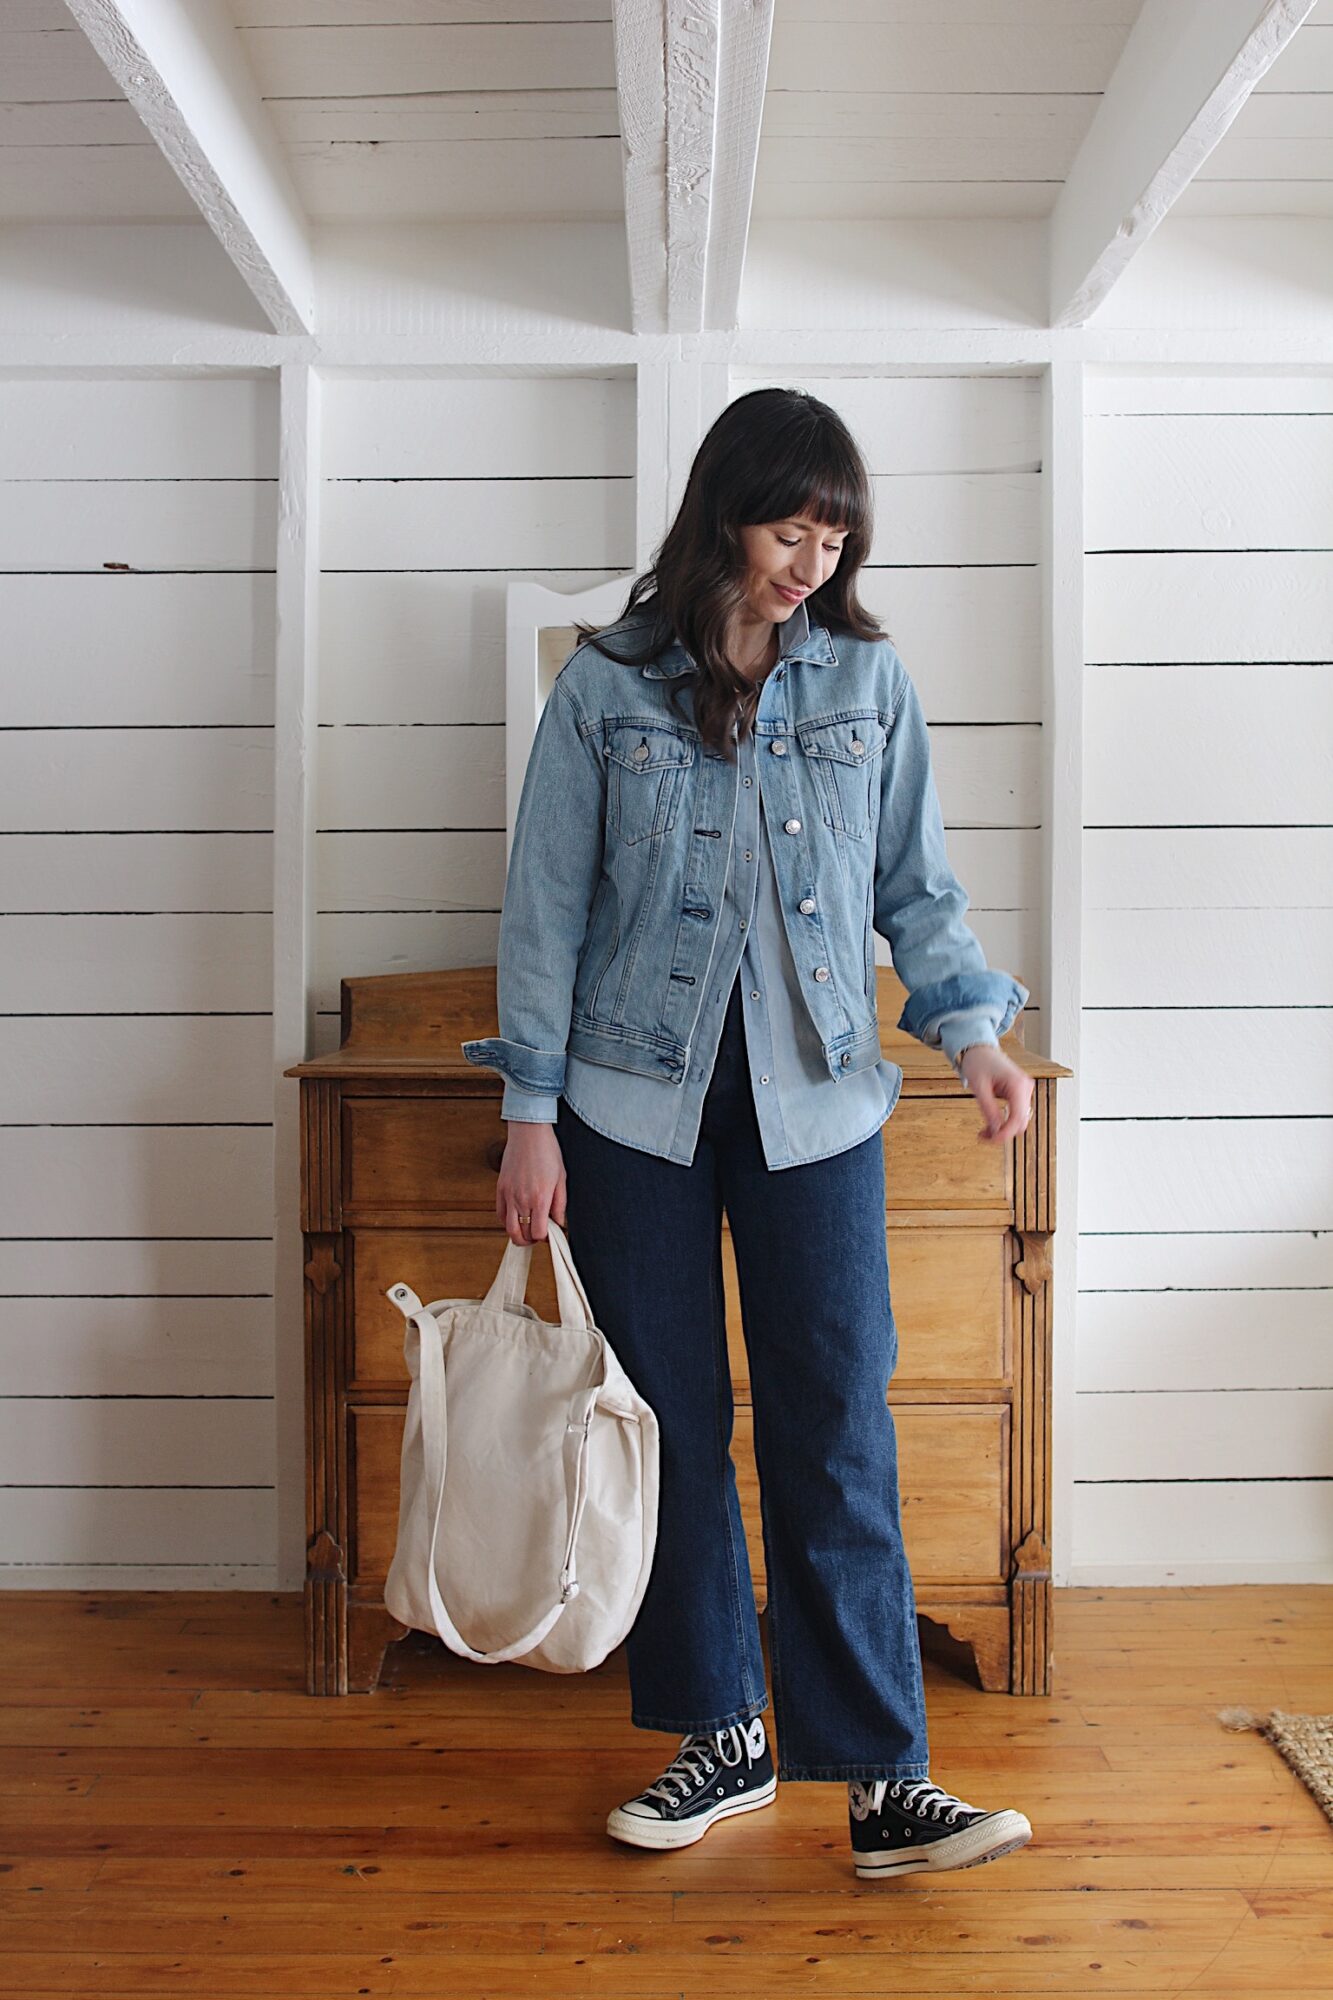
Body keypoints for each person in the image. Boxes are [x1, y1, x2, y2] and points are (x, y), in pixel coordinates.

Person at [461, 386, 1035, 1880]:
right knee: (670, 1429)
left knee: (836, 1420)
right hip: (627, 1103)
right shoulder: (606, 689)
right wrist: (530, 1120)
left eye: (834, 535)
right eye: (793, 527)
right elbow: (543, 920)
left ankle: (882, 1780)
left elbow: (914, 886)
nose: (812, 560)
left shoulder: (865, 685)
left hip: (822, 1097)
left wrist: (972, 1037)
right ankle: (718, 1738)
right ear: (726, 512)